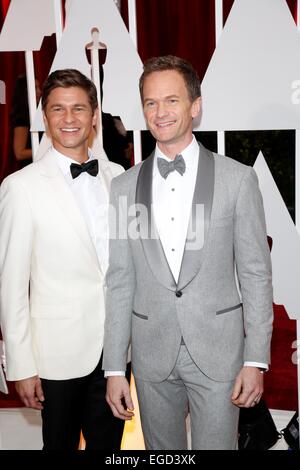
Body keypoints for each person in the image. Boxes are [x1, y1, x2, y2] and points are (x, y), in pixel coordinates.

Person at [103, 55, 273, 450]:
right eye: (150, 102)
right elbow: (119, 280)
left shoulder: (238, 179)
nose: (160, 112)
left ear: (196, 106)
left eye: (172, 100)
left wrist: (255, 359)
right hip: (151, 354)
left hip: (219, 353)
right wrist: (115, 368)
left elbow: (255, 274)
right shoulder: (124, 188)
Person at [0, 68, 129, 450]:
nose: (69, 119)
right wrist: (21, 365)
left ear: (94, 116)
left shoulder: (118, 176)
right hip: (55, 354)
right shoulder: (20, 187)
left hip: (116, 353)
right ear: (45, 117)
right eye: (58, 109)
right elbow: (10, 285)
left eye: (78, 109)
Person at [10, 74, 42, 168]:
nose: (39, 91)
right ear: (24, 92)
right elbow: (19, 153)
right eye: (35, 88)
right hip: (30, 168)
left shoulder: (35, 114)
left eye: (39, 87)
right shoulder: (22, 118)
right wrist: (46, 148)